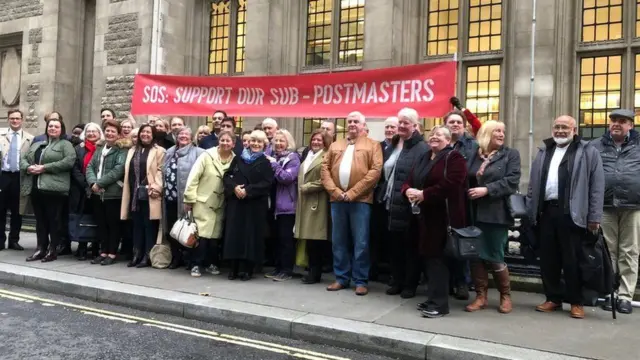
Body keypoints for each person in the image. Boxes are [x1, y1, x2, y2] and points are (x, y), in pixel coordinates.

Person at [528, 115, 604, 319]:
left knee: (573, 260)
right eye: (557, 127)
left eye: (565, 127)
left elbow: (596, 187)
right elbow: (533, 184)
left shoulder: (588, 151)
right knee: (549, 259)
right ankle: (553, 298)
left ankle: (576, 301)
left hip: (573, 214)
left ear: (575, 130)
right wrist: (530, 209)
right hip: (546, 212)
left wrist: (594, 216)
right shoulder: (544, 150)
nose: (560, 131)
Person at [403, 126, 468, 318]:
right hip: (423, 217)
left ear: (448, 141)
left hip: (444, 217)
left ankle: (440, 305)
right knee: (429, 259)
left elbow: (452, 184)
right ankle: (433, 298)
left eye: (439, 135)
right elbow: (409, 180)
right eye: (432, 134)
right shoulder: (424, 157)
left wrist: (425, 194)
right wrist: (407, 191)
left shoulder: (454, 158)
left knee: (438, 260)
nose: (434, 137)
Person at [321, 111, 383, 296]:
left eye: (356, 121)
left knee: (361, 242)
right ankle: (341, 278)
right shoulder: (336, 145)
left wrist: (353, 192)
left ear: (363, 125)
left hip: (361, 200)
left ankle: (360, 280)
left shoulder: (373, 145)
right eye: (350, 121)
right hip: (337, 200)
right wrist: (336, 192)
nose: (353, 124)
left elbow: (375, 171)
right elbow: (325, 169)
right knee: (338, 241)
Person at [465, 120, 521, 315]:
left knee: (495, 255)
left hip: (496, 213)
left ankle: (505, 296)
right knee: (475, 256)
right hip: (473, 212)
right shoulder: (475, 154)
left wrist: (486, 189)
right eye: (497, 130)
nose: (501, 134)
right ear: (486, 133)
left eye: (503, 131)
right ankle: (481, 296)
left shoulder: (510, 155)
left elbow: (511, 181)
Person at [591, 109, 639, 314]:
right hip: (605, 205)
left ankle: (625, 296)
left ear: (631, 125)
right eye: (613, 121)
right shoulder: (595, 146)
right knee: (607, 251)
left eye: (622, 121)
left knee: (629, 251)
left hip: (634, 205)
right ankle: (609, 292)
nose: (616, 124)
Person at [381, 108, 428, 299]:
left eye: (406, 122)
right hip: (392, 205)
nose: (401, 125)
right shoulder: (396, 144)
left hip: (411, 207)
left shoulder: (422, 148)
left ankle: (410, 285)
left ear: (415, 126)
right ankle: (397, 281)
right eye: (400, 122)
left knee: (411, 249)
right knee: (396, 248)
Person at [21, 118, 76, 262]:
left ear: (61, 129)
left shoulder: (66, 144)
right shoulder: (38, 144)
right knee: (40, 221)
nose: (52, 128)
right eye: (50, 126)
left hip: (55, 190)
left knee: (54, 221)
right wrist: (28, 167)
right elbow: (24, 158)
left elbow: (69, 161)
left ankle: (53, 250)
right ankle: (40, 248)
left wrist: (45, 167)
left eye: (56, 126)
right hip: (37, 188)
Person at [223, 130, 274, 281]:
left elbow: (267, 183)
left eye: (259, 142)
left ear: (264, 145)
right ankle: (233, 268)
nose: (255, 144)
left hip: (254, 205)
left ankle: (247, 269)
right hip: (236, 203)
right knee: (234, 235)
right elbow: (227, 176)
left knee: (250, 237)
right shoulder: (238, 159)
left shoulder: (265, 162)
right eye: (253, 141)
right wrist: (234, 187)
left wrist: (248, 190)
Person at [184, 131, 236, 277]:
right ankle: (195, 264)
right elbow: (194, 176)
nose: (225, 143)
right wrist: (189, 198)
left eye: (228, 141)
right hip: (203, 201)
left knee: (215, 237)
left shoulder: (235, 160)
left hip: (220, 203)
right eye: (222, 140)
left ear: (233, 143)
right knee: (200, 235)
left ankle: (211, 263)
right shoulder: (207, 156)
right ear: (218, 141)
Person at [86, 120, 130, 265]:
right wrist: (93, 183)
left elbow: (118, 169)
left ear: (118, 135)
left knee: (113, 225)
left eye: (113, 131)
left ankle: (111, 253)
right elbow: (90, 166)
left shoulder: (121, 150)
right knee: (101, 224)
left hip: (113, 193)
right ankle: (103, 251)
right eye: (108, 131)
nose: (110, 133)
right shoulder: (99, 148)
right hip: (97, 193)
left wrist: (100, 183)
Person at [121, 124, 165, 268]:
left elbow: (161, 170)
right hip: (134, 193)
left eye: (148, 132)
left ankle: (147, 256)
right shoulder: (133, 150)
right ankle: (136, 254)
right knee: (137, 225)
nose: (145, 134)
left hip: (150, 193)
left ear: (153, 135)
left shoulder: (159, 151)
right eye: (143, 132)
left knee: (149, 226)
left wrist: (156, 186)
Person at [444, 109, 478, 300]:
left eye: (458, 122)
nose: (455, 125)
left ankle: (462, 282)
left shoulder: (473, 146)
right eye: (451, 122)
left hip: (462, 201)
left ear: (464, 125)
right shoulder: (440, 143)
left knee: (460, 241)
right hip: (442, 200)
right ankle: (446, 281)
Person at [163, 127, 204, 270]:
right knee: (173, 230)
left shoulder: (198, 153)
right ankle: (176, 257)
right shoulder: (169, 152)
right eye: (180, 134)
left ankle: (191, 259)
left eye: (187, 134)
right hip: (169, 197)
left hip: (187, 199)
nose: (183, 136)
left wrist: (192, 198)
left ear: (192, 137)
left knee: (189, 229)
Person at [295, 129, 332, 284]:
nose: (316, 142)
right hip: (305, 201)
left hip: (318, 201)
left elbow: (327, 179)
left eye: (319, 140)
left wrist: (308, 186)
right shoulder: (308, 155)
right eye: (314, 140)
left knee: (316, 239)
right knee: (309, 239)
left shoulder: (327, 156)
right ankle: (311, 269)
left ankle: (315, 273)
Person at [264, 129, 300, 282]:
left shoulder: (293, 158)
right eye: (276, 141)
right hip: (274, 206)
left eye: (281, 141)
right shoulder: (274, 157)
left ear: (288, 143)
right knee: (277, 239)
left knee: (286, 240)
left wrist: (274, 165)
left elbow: (287, 178)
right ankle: (278, 268)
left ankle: (286, 269)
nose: (278, 144)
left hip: (287, 206)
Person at [0, 109, 34, 251]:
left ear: (22, 120)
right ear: (8, 119)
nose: (15, 121)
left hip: (20, 177)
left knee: (17, 210)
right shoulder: (1, 135)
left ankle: (14, 240)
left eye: (17, 118)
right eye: (12, 118)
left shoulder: (30, 138)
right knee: (0, 210)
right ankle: (0, 240)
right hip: (3, 175)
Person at [69, 123, 104, 260]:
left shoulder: (103, 148)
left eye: (94, 131)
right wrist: (86, 184)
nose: (91, 134)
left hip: (99, 188)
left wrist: (96, 184)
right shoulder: (78, 149)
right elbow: (75, 169)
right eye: (88, 131)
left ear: (99, 133)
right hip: (82, 189)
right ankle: (82, 247)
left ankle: (96, 248)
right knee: (82, 218)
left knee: (97, 218)